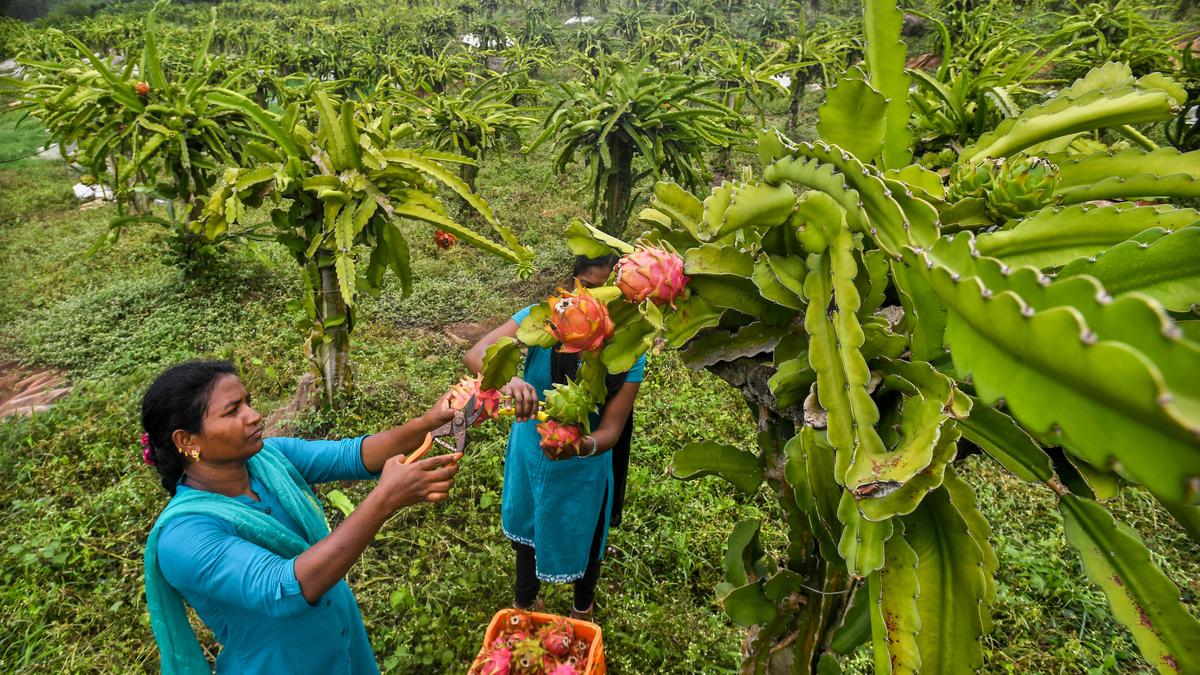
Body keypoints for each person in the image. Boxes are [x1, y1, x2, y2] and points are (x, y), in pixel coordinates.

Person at [141, 359, 461, 675]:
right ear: (187, 441)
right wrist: (383, 500)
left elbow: (355, 455)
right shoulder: (184, 537)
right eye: (233, 410)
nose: (254, 416)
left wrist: (428, 423)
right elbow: (283, 588)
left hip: (342, 644)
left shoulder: (269, 459)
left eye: (248, 403)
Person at [464, 255, 646, 621]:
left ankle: (583, 609)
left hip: (586, 466)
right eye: (586, 287)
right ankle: (526, 603)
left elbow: (612, 429)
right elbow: (476, 354)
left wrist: (584, 446)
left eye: (606, 292)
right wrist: (507, 378)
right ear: (573, 283)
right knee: (528, 529)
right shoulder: (538, 318)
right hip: (531, 451)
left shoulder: (630, 347)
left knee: (586, 536)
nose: (594, 300)